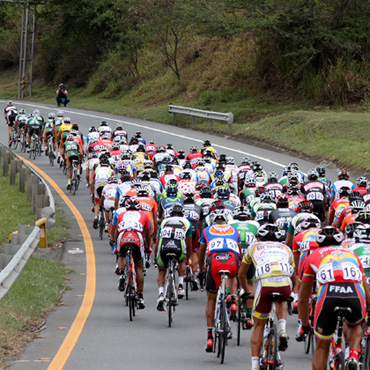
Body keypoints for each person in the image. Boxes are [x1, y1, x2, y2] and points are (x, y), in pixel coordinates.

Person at [298, 226, 370, 370]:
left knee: (322, 349)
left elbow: (303, 298)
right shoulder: (352, 254)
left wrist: (305, 325)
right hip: (354, 292)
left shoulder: (314, 255)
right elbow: (366, 293)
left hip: (328, 295)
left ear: (319, 243)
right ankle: (353, 355)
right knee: (355, 324)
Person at [238, 223, 295, 370]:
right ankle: (282, 328)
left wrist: (246, 291)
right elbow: (294, 279)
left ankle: (255, 366)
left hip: (265, 284)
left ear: (259, 237)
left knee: (258, 325)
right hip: (284, 284)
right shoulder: (286, 249)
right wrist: (292, 294)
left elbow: (242, 274)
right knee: (282, 298)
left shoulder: (253, 247)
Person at [198, 209, 241, 352]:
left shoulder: (207, 231)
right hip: (231, 259)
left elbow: (201, 252)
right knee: (232, 275)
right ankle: (233, 300)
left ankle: (210, 337)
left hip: (214, 261)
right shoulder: (234, 230)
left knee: (211, 300)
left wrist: (201, 270)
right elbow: (239, 253)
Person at [111, 198, 151, 309]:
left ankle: (122, 272)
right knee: (138, 266)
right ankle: (140, 295)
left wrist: (115, 243)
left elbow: (115, 230)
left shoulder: (121, 214)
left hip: (123, 236)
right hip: (137, 237)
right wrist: (148, 247)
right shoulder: (144, 215)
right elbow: (147, 235)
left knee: (122, 255)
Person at [155, 204, 192, 311]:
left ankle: (161, 294)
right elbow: (189, 244)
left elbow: (158, 242)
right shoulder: (186, 222)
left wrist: (155, 258)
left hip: (164, 246)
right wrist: (187, 258)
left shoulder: (164, 222)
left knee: (162, 271)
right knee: (181, 261)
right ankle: (180, 286)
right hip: (178, 247)